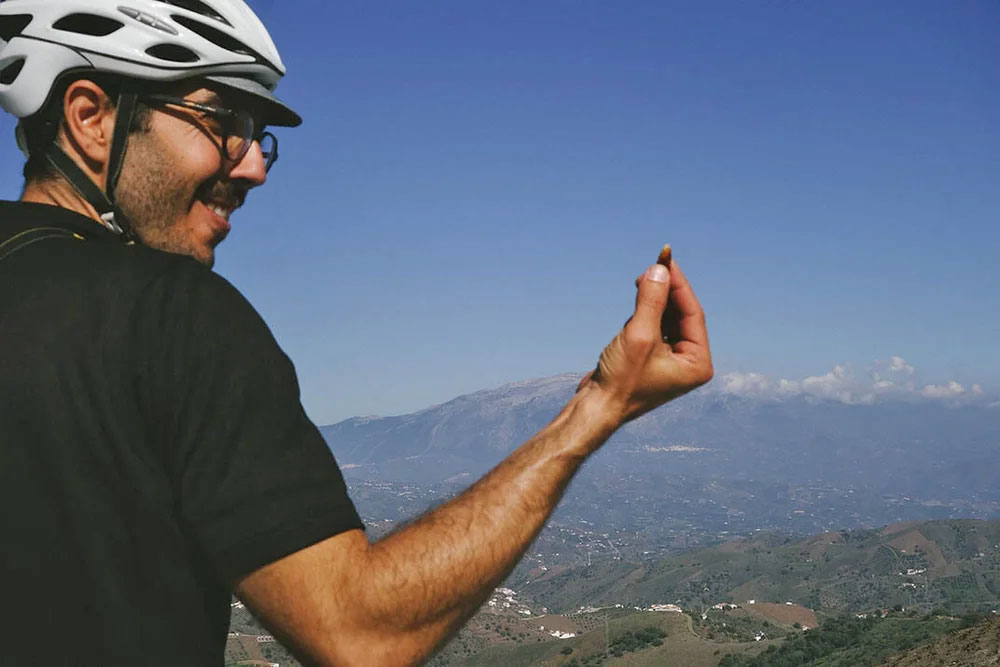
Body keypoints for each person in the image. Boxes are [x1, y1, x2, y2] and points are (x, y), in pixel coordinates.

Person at [0, 0, 712, 664]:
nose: (253, 167)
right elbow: (360, 633)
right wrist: (601, 403)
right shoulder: (173, 313)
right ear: (92, 117)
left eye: (258, 135)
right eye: (222, 120)